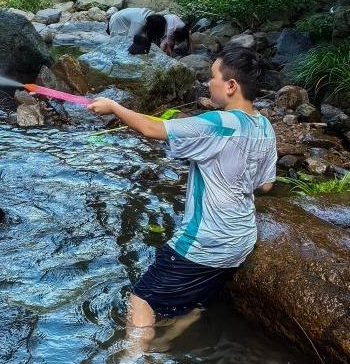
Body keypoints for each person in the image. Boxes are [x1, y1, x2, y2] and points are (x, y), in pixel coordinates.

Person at [87, 46, 277, 358]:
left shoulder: (219, 122)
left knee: (141, 301)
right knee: (194, 304)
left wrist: (114, 107)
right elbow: (267, 184)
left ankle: (133, 356)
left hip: (205, 243)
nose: (208, 83)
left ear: (231, 86)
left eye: (212, 76)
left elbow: (152, 128)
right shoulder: (265, 127)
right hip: (240, 241)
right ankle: (166, 345)